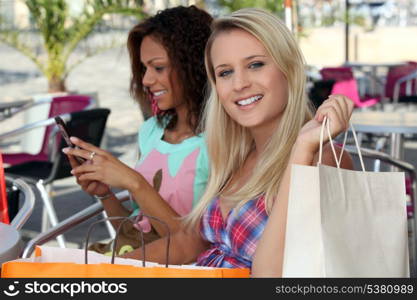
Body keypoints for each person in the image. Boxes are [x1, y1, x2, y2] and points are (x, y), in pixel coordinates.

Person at [121, 8, 355, 277]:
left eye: (255, 64)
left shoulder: (320, 159)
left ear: (289, 69)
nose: (239, 83)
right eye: (225, 72)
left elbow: (270, 276)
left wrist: (301, 148)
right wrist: (98, 266)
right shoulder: (237, 154)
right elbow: (190, 242)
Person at [63, 6, 213, 254]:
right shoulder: (151, 131)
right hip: (128, 256)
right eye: (144, 68)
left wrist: (134, 183)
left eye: (158, 67)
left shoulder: (219, 143)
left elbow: (192, 246)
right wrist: (106, 195)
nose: (145, 80)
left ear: (194, 64)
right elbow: (135, 227)